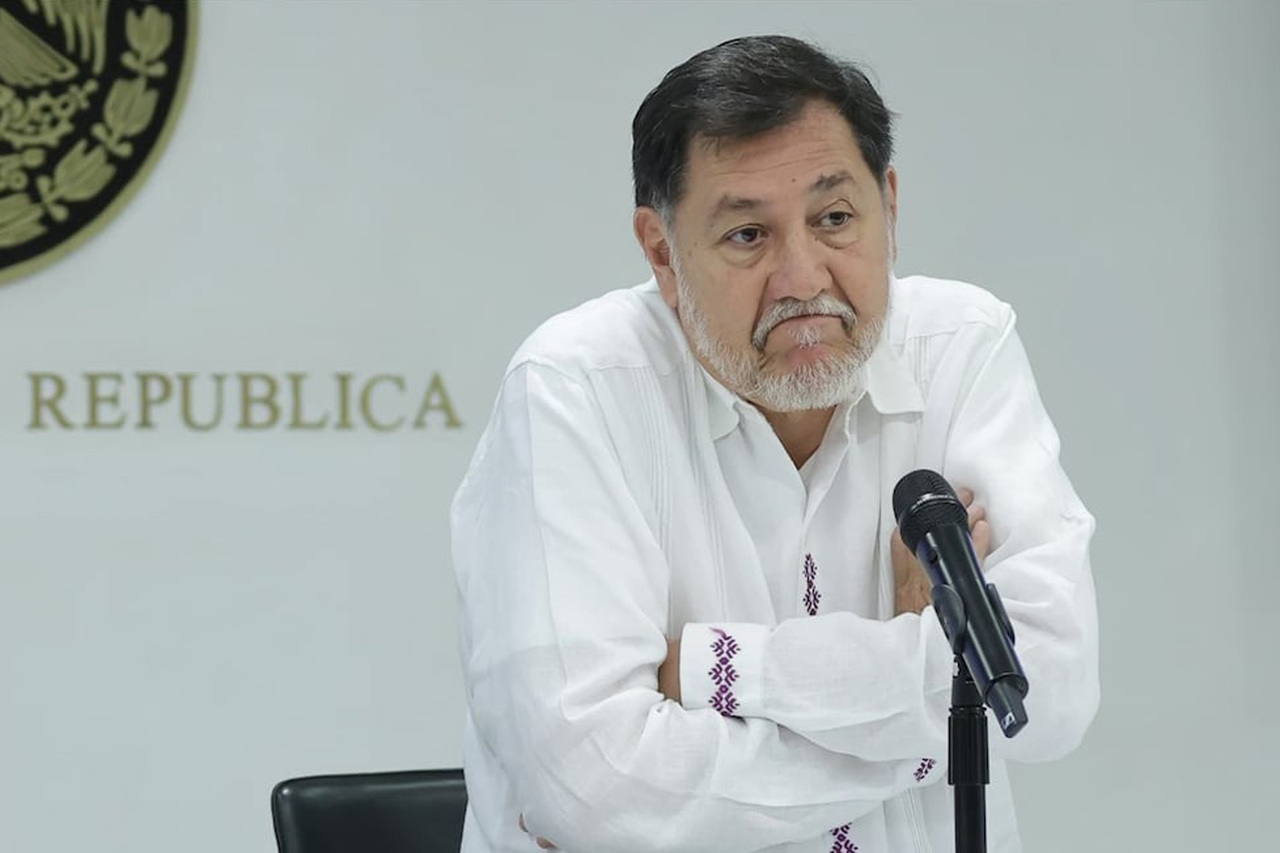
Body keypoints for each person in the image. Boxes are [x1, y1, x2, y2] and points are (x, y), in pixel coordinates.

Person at [451, 35, 1098, 853]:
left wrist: (715, 668)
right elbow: (593, 789)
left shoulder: (961, 347)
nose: (803, 278)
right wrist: (933, 713)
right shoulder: (575, 387)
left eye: (835, 220)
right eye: (748, 235)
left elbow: (1050, 690)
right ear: (662, 253)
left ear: (890, 209)